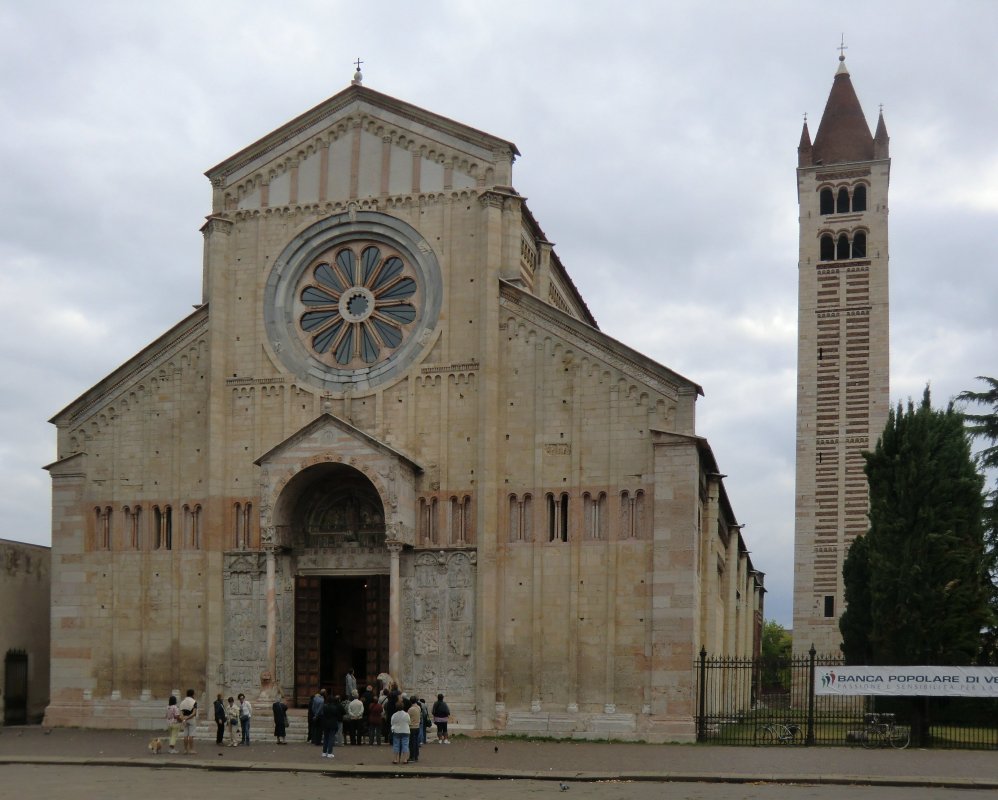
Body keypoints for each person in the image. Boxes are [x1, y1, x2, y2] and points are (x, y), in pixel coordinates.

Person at [320, 693, 344, 759]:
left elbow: (322, 714)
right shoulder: (334, 707)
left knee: (326, 738)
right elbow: (337, 715)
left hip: (325, 724)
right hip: (333, 724)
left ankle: (324, 752)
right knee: (331, 738)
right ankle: (330, 753)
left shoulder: (324, 706)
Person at [179, 689, 199, 755]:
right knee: (191, 735)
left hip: (184, 719)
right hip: (191, 719)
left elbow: (181, 713)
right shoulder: (194, 702)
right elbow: (194, 713)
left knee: (185, 735)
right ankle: (191, 749)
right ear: (193, 694)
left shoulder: (182, 702)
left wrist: (183, 719)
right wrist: (188, 717)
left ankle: (185, 749)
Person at [407, 697, 422, 763]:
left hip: (412, 727)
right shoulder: (418, 707)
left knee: (411, 743)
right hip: (417, 726)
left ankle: (412, 757)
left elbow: (408, 717)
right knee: (416, 742)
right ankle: (416, 756)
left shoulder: (411, 709)